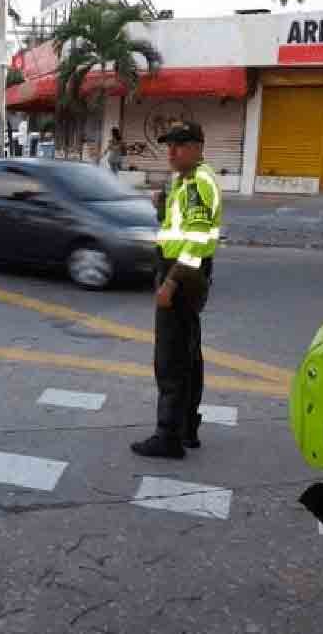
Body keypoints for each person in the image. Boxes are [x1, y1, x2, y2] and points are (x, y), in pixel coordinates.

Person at [132, 121, 222, 460]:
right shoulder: (184, 182)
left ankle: (167, 434)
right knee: (188, 354)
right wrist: (162, 205)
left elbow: (197, 241)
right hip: (185, 272)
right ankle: (186, 428)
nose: (172, 151)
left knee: (170, 358)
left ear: (199, 147)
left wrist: (171, 281)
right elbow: (179, 228)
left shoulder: (198, 183)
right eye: (169, 144)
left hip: (184, 274)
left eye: (180, 144)